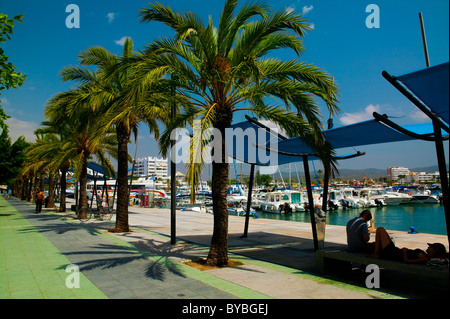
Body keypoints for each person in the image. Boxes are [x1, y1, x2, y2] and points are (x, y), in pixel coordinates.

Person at [371, 227, 448, 264]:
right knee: (381, 232)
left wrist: (404, 251)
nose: (428, 247)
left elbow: (407, 261)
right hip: (395, 251)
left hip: (393, 254)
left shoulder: (425, 258)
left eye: (430, 247)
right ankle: (377, 252)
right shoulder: (425, 255)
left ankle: (376, 253)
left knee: (380, 229)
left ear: (435, 251)